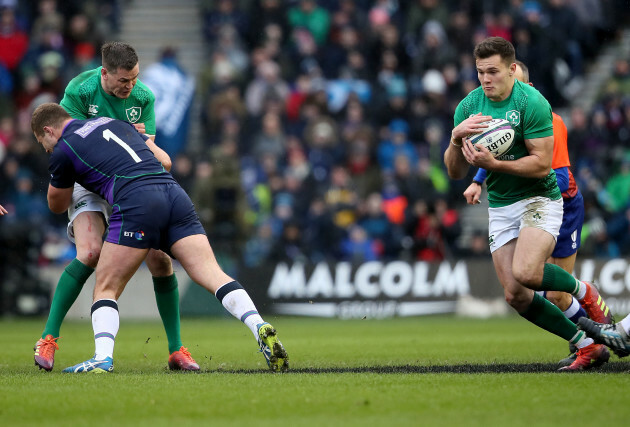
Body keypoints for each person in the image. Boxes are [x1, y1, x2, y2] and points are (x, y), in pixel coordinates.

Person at [31, 103, 289, 373]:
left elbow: (58, 204)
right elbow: (165, 160)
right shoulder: (115, 123)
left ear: (48, 130)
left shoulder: (64, 149)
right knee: (213, 274)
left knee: (106, 286)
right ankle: (259, 324)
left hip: (136, 201)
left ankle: (102, 358)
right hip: (173, 193)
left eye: (42, 142)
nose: (46, 149)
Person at [444, 36, 611, 371]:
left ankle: (584, 290)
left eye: (493, 71)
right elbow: (454, 171)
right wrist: (454, 139)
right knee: (516, 295)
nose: (486, 79)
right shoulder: (467, 108)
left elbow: (542, 165)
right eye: (480, 72)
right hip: (502, 206)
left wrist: (494, 167)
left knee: (527, 273)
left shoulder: (532, 102)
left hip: (540, 197)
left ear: (512, 69)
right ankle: (586, 344)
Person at [33, 42, 199, 372]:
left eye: (134, 79)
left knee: (160, 260)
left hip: (128, 182)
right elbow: (74, 142)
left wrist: (145, 141)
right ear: (105, 73)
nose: (130, 87)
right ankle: (48, 338)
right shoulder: (80, 89)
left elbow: (149, 153)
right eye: (124, 81)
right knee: (90, 253)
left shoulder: (144, 97)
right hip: (88, 178)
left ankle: (176, 349)